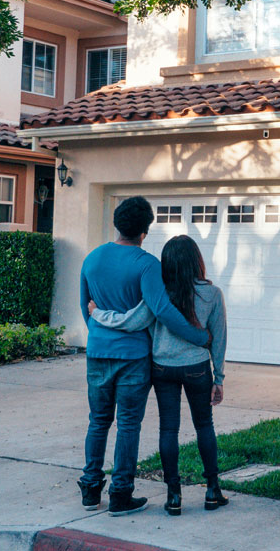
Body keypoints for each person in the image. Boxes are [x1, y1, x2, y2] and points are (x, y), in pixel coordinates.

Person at [78, 197, 210, 517]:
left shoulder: (92, 259)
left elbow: (86, 308)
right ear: (145, 231)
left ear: (117, 224)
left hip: (98, 352)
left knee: (98, 421)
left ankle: (90, 489)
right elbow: (162, 310)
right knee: (128, 425)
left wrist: (102, 337)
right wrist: (199, 336)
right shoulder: (147, 264)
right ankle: (121, 494)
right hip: (134, 357)